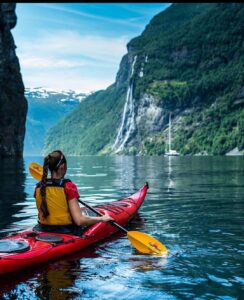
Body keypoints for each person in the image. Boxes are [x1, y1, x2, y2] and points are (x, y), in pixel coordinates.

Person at [33, 150, 113, 235]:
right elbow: (79, 221)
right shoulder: (68, 186)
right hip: (66, 231)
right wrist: (102, 219)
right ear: (62, 166)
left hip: (41, 229)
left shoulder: (38, 186)